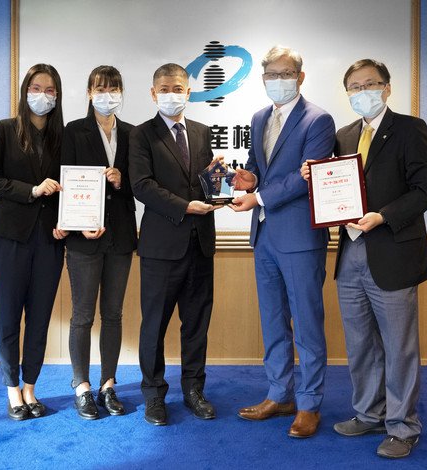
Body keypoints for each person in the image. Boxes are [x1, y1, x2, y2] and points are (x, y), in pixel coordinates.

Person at [301, 59, 427, 458]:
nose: (362, 92)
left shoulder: (410, 129)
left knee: (399, 345)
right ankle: (368, 412)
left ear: (387, 88)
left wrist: (384, 216)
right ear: (346, 93)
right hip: (350, 252)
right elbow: (334, 186)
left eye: (370, 84)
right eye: (354, 86)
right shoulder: (343, 136)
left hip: (392, 248)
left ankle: (402, 426)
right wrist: (314, 175)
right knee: (360, 342)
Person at [230, 46, 336, 438]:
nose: (278, 81)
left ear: (301, 77)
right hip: (265, 236)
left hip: (301, 237)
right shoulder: (259, 117)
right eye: (271, 75)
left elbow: (307, 176)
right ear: (262, 79)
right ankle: (280, 394)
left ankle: (309, 404)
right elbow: (262, 169)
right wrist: (249, 180)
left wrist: (258, 196)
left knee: (307, 324)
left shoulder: (318, 120)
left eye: (285, 73)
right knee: (273, 320)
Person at [129, 63, 220, 426]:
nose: (172, 93)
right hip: (161, 247)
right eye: (164, 88)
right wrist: (184, 206)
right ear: (153, 94)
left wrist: (219, 180)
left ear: (189, 91)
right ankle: (153, 395)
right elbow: (142, 185)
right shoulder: (140, 135)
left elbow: (205, 186)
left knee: (196, 323)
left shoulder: (201, 132)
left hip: (201, 245)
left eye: (178, 87)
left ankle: (194, 390)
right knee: (154, 324)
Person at [0, 63, 66, 421]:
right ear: (24, 91)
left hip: (50, 239)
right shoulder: (5, 130)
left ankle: (31, 386)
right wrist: (30, 190)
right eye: (36, 87)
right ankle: (12, 389)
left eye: (49, 90)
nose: (42, 95)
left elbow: (75, 187)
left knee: (41, 316)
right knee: (8, 316)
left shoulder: (65, 137)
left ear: (57, 96)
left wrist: (68, 222)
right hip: (9, 238)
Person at [61, 66, 137, 420]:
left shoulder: (134, 134)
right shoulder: (73, 131)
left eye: (114, 87)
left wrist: (123, 181)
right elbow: (64, 184)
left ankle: (108, 384)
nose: (108, 93)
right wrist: (76, 226)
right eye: (101, 87)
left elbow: (145, 186)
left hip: (120, 237)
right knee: (82, 315)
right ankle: (81, 386)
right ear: (90, 91)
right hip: (83, 240)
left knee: (114, 314)